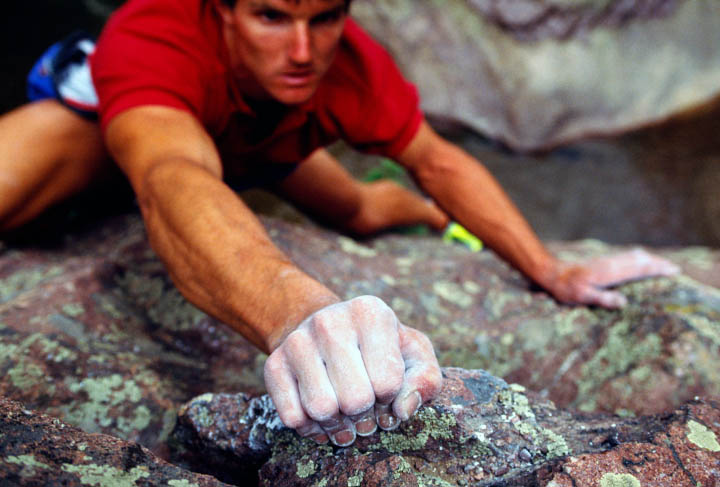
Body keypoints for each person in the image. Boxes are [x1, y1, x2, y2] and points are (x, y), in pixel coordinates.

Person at [0, 0, 679, 447]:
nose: (303, 50)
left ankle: (439, 227)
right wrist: (301, 310)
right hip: (128, 134)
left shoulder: (349, 64)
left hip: (258, 147)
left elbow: (436, 162)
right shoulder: (154, 33)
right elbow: (171, 176)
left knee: (359, 206)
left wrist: (551, 267)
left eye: (323, 17)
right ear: (222, 12)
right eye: (270, 15)